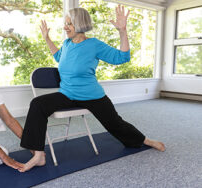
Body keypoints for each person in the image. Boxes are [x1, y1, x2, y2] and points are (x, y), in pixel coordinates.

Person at [19, 5, 165, 172]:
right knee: (38, 104)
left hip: (92, 96)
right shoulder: (67, 44)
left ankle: (145, 140)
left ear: (80, 24)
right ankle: (38, 155)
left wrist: (122, 31)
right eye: (65, 23)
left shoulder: (94, 45)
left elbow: (122, 57)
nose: (65, 27)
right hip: (67, 94)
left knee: (115, 124)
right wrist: (46, 38)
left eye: (69, 24)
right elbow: (58, 56)